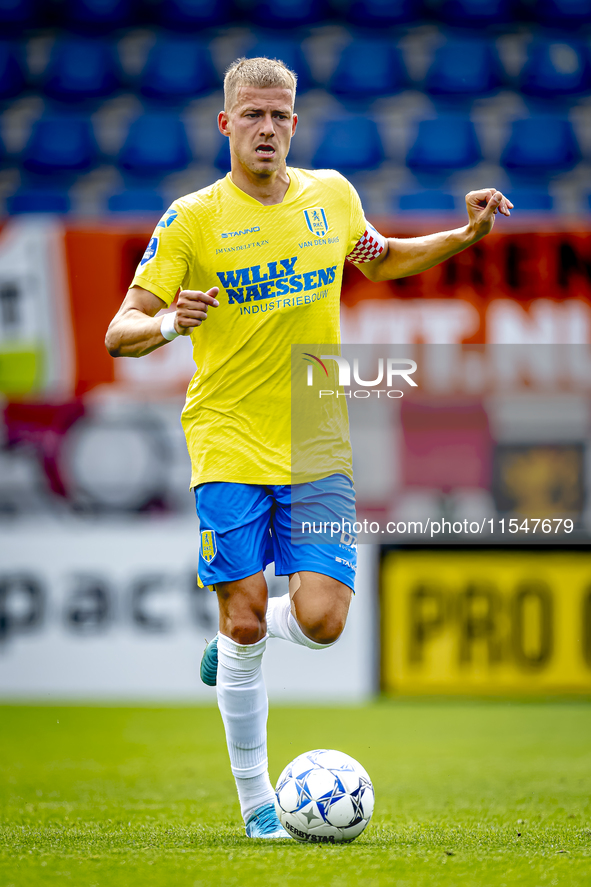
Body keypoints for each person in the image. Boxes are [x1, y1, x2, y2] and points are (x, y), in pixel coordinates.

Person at [105, 56, 512, 839]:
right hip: (225, 441)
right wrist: (166, 324)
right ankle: (257, 801)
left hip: (317, 433)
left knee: (323, 620)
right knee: (250, 618)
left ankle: (228, 640)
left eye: (279, 115)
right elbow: (119, 330)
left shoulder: (331, 197)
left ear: (295, 122)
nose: (267, 128)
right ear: (226, 124)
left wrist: (466, 234)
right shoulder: (190, 219)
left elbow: (382, 257)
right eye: (251, 115)